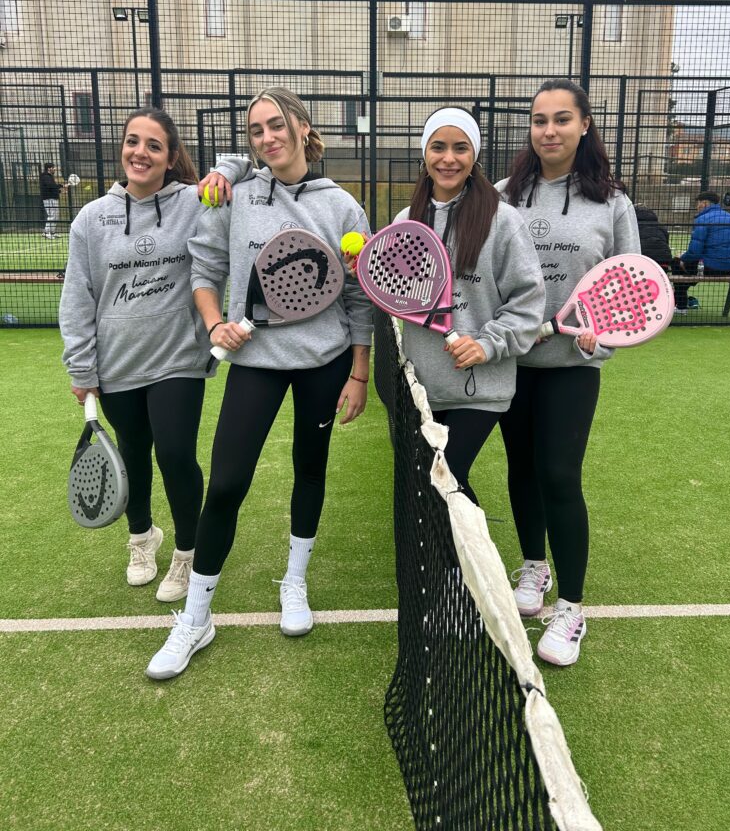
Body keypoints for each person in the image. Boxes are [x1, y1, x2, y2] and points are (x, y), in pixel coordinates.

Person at [145, 87, 373, 680]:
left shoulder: (342, 206)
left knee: (310, 469)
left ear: (303, 128)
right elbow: (205, 270)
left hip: (324, 363)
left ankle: (294, 581)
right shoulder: (235, 194)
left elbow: (356, 296)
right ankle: (196, 618)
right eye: (255, 130)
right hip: (254, 364)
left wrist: (359, 371)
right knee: (225, 484)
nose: (267, 138)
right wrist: (215, 323)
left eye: (276, 125)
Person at [496, 78, 640, 667]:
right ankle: (534, 567)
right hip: (513, 362)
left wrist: (598, 336)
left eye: (561, 119)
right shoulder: (502, 196)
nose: (549, 130)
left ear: (584, 125)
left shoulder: (613, 204)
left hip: (571, 366)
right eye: (539, 120)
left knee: (558, 475)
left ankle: (571, 608)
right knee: (522, 470)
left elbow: (630, 286)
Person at [60, 107, 223, 602]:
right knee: (133, 451)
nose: (140, 152)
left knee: (174, 453)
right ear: (122, 148)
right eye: (133, 141)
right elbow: (78, 297)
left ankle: (187, 552)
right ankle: (141, 537)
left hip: (178, 359)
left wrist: (226, 170)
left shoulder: (194, 203)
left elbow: (245, 179)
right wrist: (82, 367)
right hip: (117, 365)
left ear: (171, 158)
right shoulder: (92, 219)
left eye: (154, 145)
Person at [392, 107, 545, 508]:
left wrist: (486, 344)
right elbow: (399, 293)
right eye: (438, 147)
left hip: (481, 387)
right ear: (425, 153)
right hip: (423, 386)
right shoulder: (407, 220)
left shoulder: (503, 220)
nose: (449, 158)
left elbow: (527, 302)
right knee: (430, 488)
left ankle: (475, 553)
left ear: (473, 156)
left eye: (460, 148)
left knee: (446, 478)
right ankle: (454, 554)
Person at [670, 192, 730, 313]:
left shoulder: (703, 219)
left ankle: (681, 306)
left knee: (676, 262)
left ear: (704, 203)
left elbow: (694, 252)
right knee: (687, 266)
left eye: (698, 203)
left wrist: (682, 257)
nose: (697, 207)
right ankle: (683, 299)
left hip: (711, 268)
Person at [40, 163, 65, 239]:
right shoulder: (45, 176)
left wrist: (60, 190)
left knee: (56, 216)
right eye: (53, 167)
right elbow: (50, 186)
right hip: (49, 198)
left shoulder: (50, 177)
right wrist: (61, 186)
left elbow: (52, 188)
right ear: (49, 168)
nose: (55, 169)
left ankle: (52, 232)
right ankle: (46, 232)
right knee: (52, 215)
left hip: (53, 198)